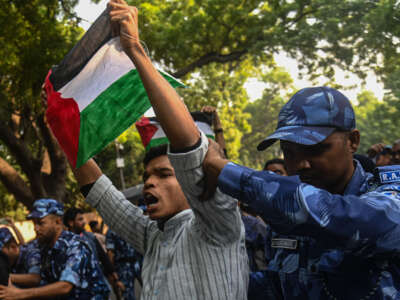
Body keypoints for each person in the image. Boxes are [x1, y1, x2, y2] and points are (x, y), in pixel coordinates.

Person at [50, 1, 249, 298]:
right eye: (147, 176)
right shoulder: (153, 234)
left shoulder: (218, 224)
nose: (149, 182)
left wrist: (136, 52)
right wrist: (60, 125)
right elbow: (101, 192)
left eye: (164, 174)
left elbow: (189, 152)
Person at [200, 86, 400, 299]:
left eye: (316, 149)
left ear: (353, 141)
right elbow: (277, 284)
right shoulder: (285, 209)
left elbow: (340, 217)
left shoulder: (389, 191)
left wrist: (225, 170)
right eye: (289, 152)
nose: (301, 164)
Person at [0, 199, 110, 300]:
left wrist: (20, 294)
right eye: (34, 223)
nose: (36, 228)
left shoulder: (75, 245)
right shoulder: (44, 245)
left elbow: (65, 286)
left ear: (58, 222)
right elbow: (24, 250)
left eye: (41, 223)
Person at [63, 208, 123, 297]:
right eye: (80, 219)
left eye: (83, 219)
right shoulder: (64, 242)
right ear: (71, 223)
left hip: (98, 285)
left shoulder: (90, 237)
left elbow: (103, 256)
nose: (84, 222)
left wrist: (113, 274)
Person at [106, 229, 142, 300]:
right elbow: (111, 253)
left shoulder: (131, 226)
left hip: (136, 262)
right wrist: (112, 272)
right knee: (127, 293)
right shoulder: (112, 231)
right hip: (124, 266)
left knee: (150, 287)